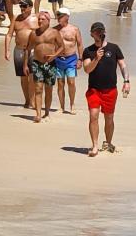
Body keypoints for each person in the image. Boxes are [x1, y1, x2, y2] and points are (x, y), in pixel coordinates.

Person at [81, 21, 130, 155]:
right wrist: (96, 58)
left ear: (104, 32)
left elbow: (122, 65)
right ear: (91, 34)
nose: (99, 33)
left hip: (110, 90)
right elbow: (87, 69)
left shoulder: (114, 48)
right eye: (96, 31)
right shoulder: (88, 51)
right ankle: (95, 146)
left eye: (100, 31)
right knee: (93, 115)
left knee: (109, 118)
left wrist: (126, 81)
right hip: (94, 90)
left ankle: (108, 142)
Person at [27, 10, 62, 122]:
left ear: (48, 21)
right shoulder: (33, 33)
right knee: (38, 88)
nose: (40, 21)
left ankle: (46, 112)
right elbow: (28, 49)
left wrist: (54, 56)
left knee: (49, 89)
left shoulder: (55, 32)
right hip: (37, 63)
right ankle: (38, 114)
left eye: (42, 19)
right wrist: (25, 65)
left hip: (50, 64)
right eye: (39, 19)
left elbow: (62, 47)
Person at [55, 8, 84, 114]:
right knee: (60, 83)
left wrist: (80, 59)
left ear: (67, 17)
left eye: (61, 15)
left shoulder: (74, 29)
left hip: (71, 59)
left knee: (71, 82)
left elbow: (80, 44)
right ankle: (61, 106)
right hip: (58, 59)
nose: (58, 17)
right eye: (58, 15)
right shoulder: (54, 30)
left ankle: (72, 104)